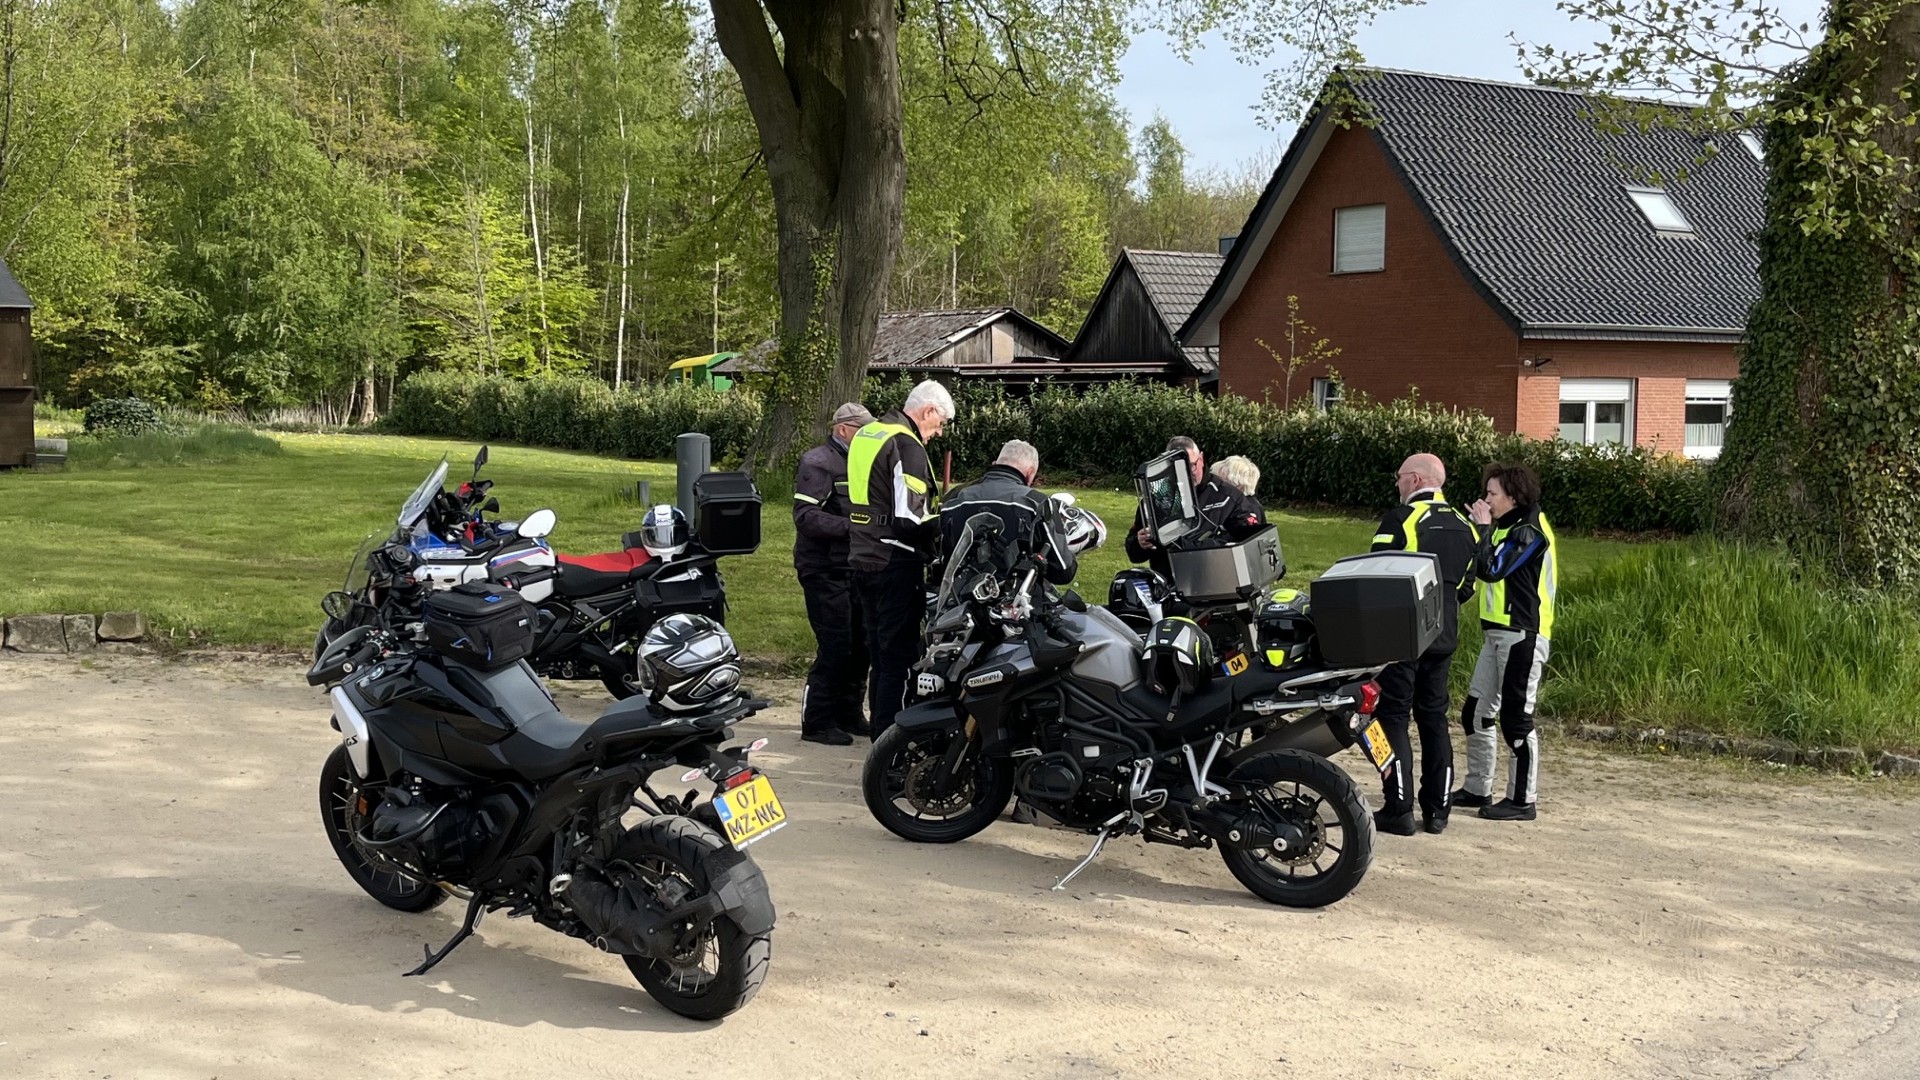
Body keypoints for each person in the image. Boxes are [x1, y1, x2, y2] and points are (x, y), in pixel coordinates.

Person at [1368, 453, 1478, 836]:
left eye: (1400, 477)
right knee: (1434, 719)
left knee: (1392, 717)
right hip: (1443, 634)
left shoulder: (1401, 519)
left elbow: (1374, 573)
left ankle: (1398, 808)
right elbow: (1466, 586)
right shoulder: (1466, 525)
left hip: (1402, 635)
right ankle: (1438, 811)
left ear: (1415, 480)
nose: (1397, 484)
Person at [847, 380, 954, 742]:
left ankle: (878, 739)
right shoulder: (906, 444)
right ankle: (889, 747)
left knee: (879, 654)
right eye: (940, 423)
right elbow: (910, 518)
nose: (938, 433)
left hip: (862, 555)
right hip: (895, 559)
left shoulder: (869, 433)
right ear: (928, 411)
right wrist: (946, 524)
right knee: (899, 659)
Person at [1454, 462, 1557, 822]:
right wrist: (1481, 530)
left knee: (1516, 719)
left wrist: (1483, 528)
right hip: (1497, 632)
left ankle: (1522, 800)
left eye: (1492, 493)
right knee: (1476, 713)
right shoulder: (1508, 526)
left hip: (1522, 634)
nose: (1485, 499)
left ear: (1513, 497)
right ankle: (1478, 787)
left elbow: (1492, 569)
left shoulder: (1530, 530)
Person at [792, 401, 876, 746]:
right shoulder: (818, 462)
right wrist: (855, 527)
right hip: (823, 568)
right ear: (843, 429)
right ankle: (817, 721)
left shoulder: (862, 461)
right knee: (836, 644)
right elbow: (805, 516)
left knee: (862, 643)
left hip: (854, 566)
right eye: (862, 430)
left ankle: (849, 713)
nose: (868, 436)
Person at [938, 439, 1078, 588]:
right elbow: (1064, 571)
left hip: (958, 594)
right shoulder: (1037, 503)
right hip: (1017, 596)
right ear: (1030, 472)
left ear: (996, 463)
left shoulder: (955, 499)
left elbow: (941, 561)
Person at [1125, 436, 1265, 576]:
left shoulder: (1229, 497)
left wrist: (1194, 546)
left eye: (1192, 465)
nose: (1186, 472)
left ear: (1201, 459)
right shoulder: (1157, 499)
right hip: (1168, 583)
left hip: (1216, 580)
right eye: (1178, 467)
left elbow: (1245, 541)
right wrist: (1139, 543)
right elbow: (1134, 554)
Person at [1209, 455, 1267, 524]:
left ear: (1238, 484)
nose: (1215, 484)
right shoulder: (1250, 505)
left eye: (1221, 481)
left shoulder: (1246, 509)